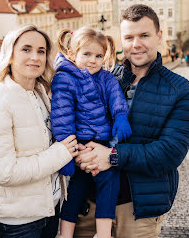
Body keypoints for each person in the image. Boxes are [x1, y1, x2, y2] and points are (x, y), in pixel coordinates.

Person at [74, 4, 189, 238]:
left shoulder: (180, 89)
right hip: (90, 203)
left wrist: (112, 157)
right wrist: (79, 153)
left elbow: (170, 152)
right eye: (129, 37)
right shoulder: (104, 78)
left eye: (144, 35)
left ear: (159, 36)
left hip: (137, 210)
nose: (136, 44)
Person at [0, 24, 78, 238]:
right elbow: (5, 172)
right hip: (19, 219)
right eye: (26, 49)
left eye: (41, 51)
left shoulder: (39, 92)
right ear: (9, 55)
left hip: (47, 208)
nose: (35, 57)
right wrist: (60, 154)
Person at [50, 27, 132, 238]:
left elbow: (116, 98)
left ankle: (103, 234)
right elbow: (62, 116)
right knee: (75, 191)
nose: (93, 60)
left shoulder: (106, 77)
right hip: (77, 142)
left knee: (109, 181)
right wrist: (68, 152)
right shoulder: (65, 78)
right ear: (72, 54)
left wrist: (121, 116)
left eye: (98, 56)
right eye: (86, 54)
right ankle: (65, 234)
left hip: (102, 142)